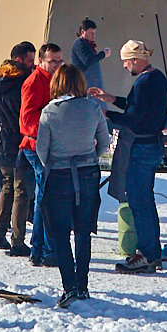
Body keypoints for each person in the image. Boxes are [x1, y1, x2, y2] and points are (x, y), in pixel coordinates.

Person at [34, 63, 111, 307]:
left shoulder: (49, 111)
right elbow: (104, 144)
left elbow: (41, 150)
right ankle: (83, 285)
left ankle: (70, 286)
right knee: (83, 231)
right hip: (87, 172)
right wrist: (88, 157)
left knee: (59, 233)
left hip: (58, 174)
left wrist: (57, 162)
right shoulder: (93, 108)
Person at [109, 41, 167, 273]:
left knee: (139, 202)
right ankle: (151, 252)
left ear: (135, 59)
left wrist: (108, 114)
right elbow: (137, 107)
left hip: (143, 147)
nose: (125, 66)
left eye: (126, 61)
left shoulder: (144, 82)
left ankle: (147, 254)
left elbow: (134, 118)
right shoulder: (157, 78)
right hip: (153, 144)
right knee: (146, 201)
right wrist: (112, 99)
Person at [0, 44, 35, 254]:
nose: (33, 65)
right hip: (16, 141)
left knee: (6, 186)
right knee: (21, 190)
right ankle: (18, 241)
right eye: (30, 61)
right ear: (19, 60)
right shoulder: (22, 83)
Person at [17, 44, 66, 268]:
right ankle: (47, 249)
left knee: (44, 198)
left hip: (46, 145)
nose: (57, 65)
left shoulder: (54, 79)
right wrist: (52, 130)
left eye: (60, 61)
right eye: (53, 61)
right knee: (48, 199)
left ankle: (39, 248)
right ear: (41, 62)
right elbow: (26, 122)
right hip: (36, 146)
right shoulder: (34, 82)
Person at [69, 18, 106, 92]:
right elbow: (87, 60)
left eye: (94, 33)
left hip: (93, 81)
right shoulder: (79, 44)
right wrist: (103, 54)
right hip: (85, 81)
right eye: (90, 33)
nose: (93, 36)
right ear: (83, 32)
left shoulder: (88, 44)